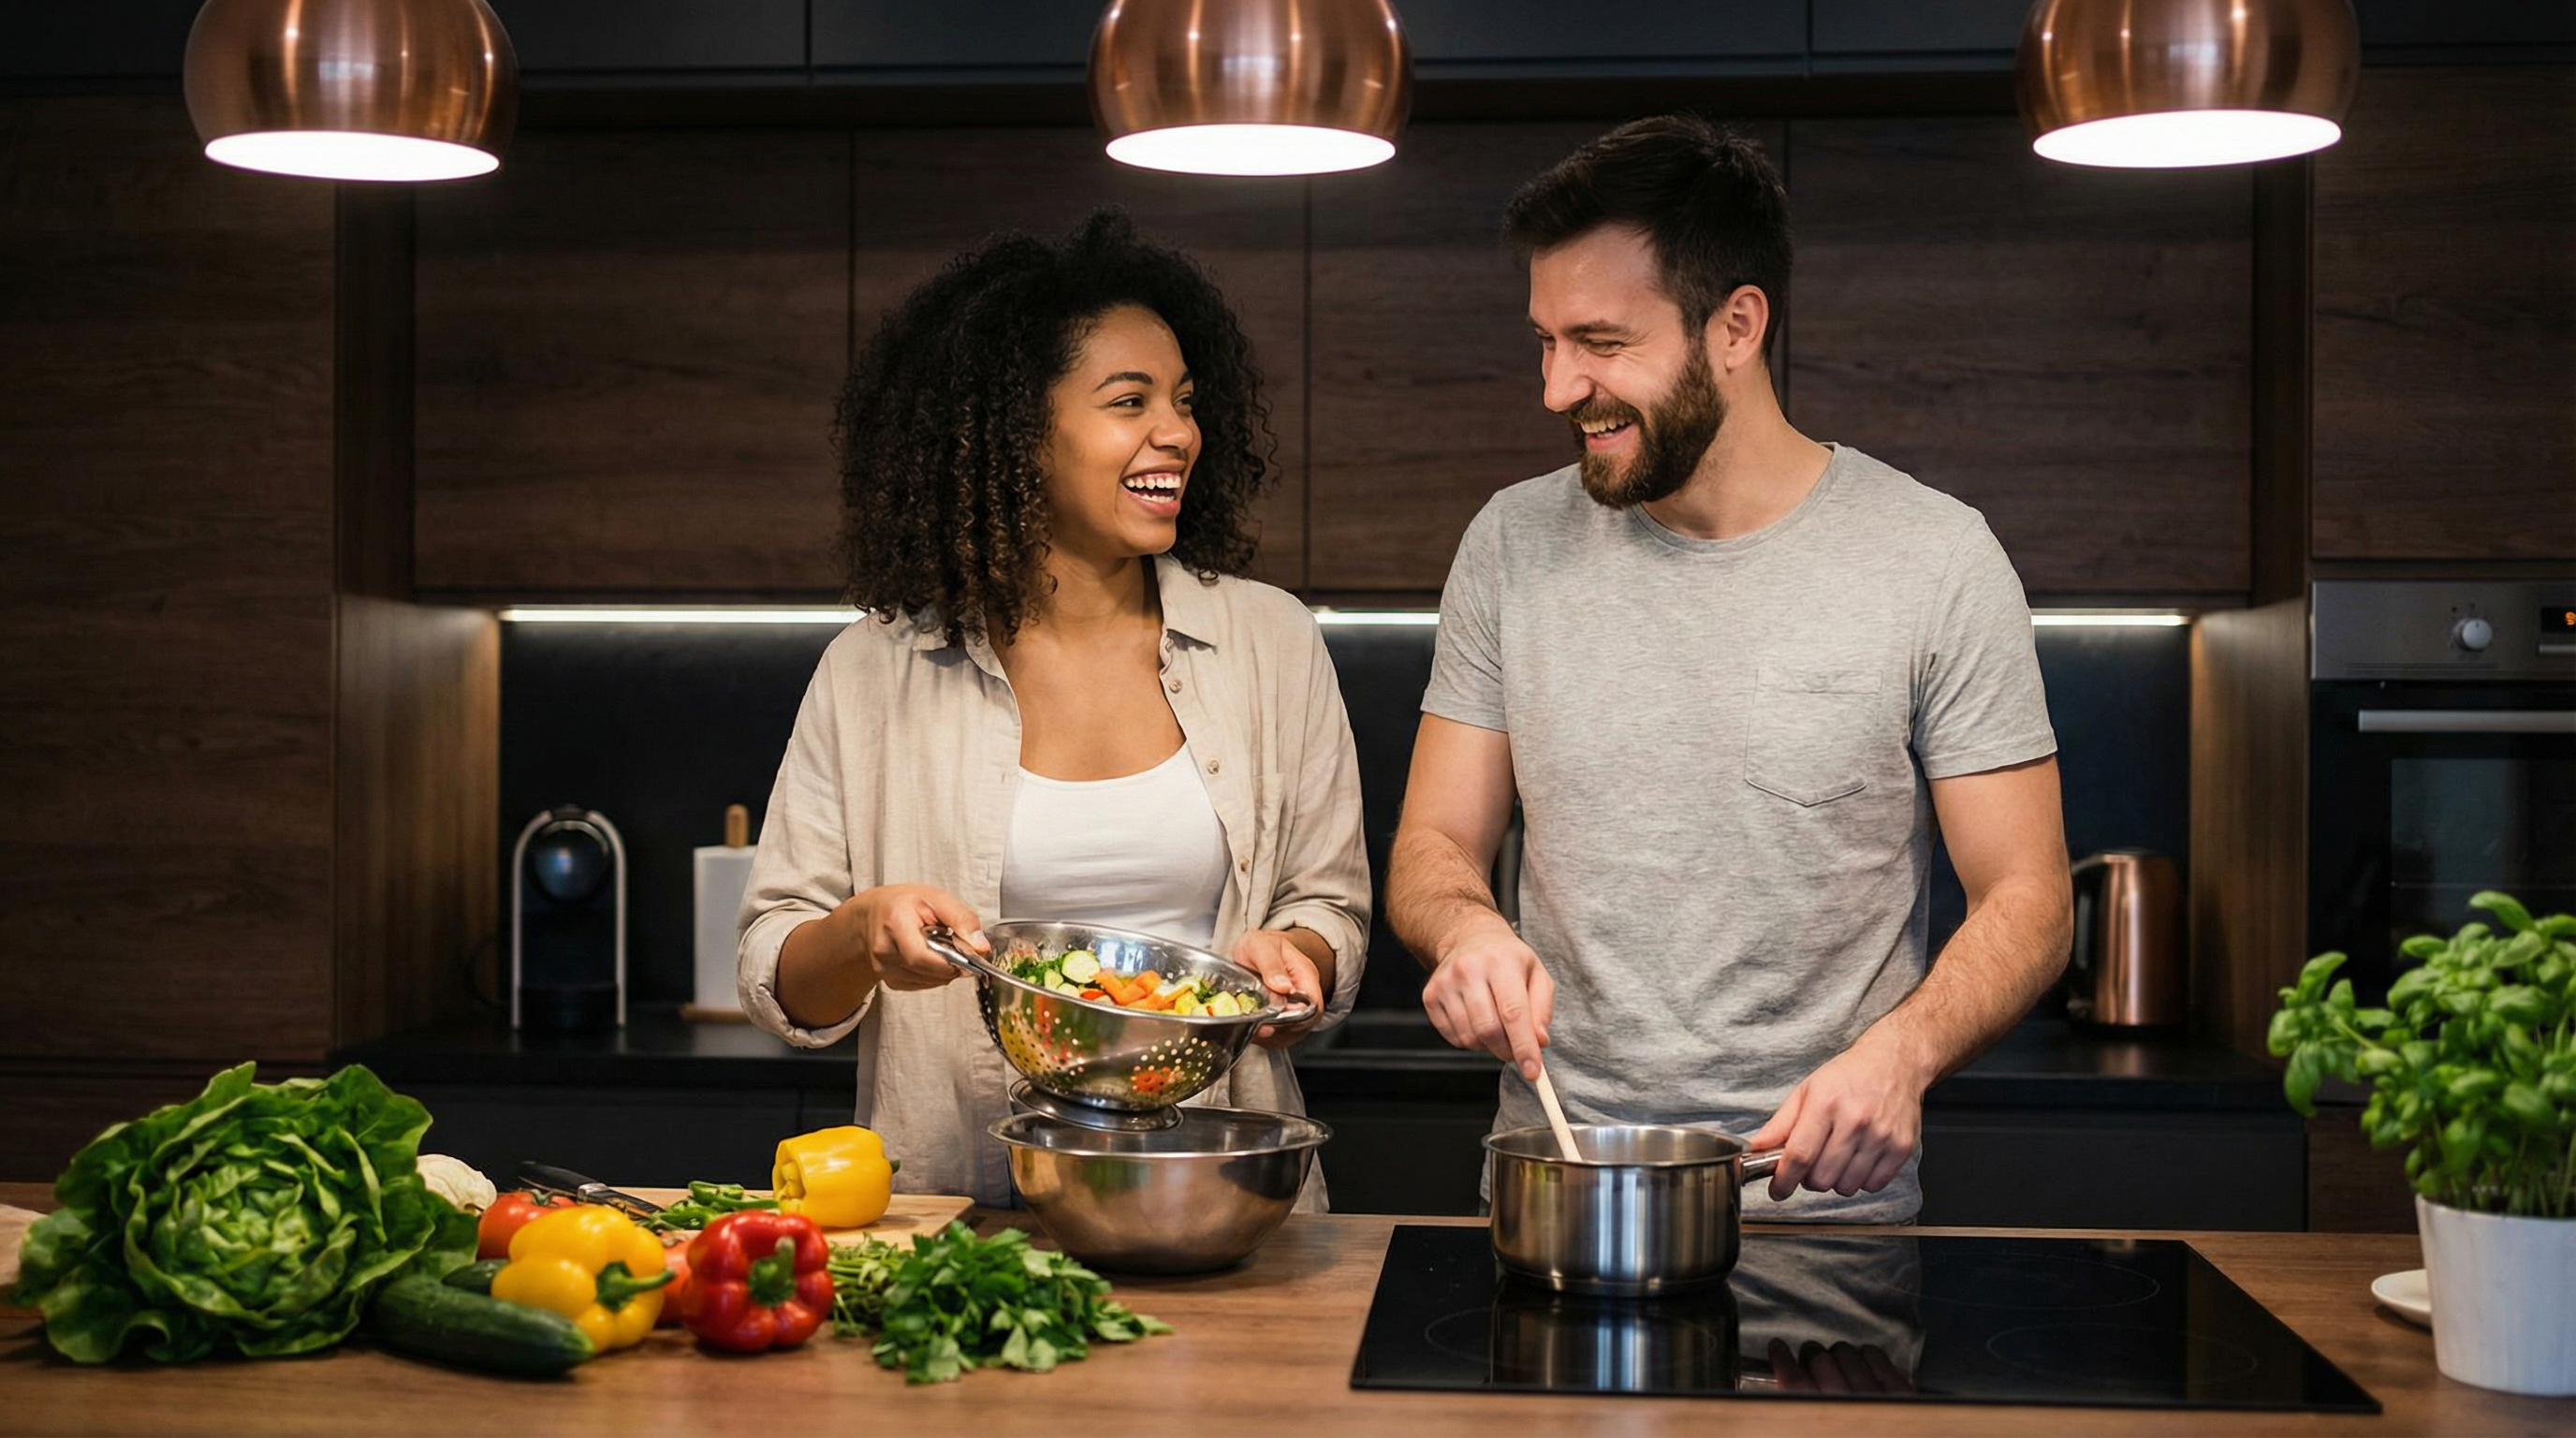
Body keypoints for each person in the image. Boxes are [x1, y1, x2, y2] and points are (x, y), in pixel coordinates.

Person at [1385, 116, 2073, 1221]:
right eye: (1544, 342)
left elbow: (2030, 899)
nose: (1559, 388)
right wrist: (1465, 927)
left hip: (1824, 1211)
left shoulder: (1934, 558)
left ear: (1736, 325)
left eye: (1601, 342)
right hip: (1557, 1190)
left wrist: (1902, 1056)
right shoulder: (1510, 545)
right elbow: (1432, 846)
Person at [736, 211, 1370, 1209]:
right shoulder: (872, 672)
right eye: (1130, 402)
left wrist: (1300, 960)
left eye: (1186, 401)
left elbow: (1328, 904)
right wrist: (864, 932)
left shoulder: (1269, 642)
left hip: (1223, 1207)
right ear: (1015, 435)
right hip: (958, 1218)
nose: (1178, 433)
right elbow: (775, 970)